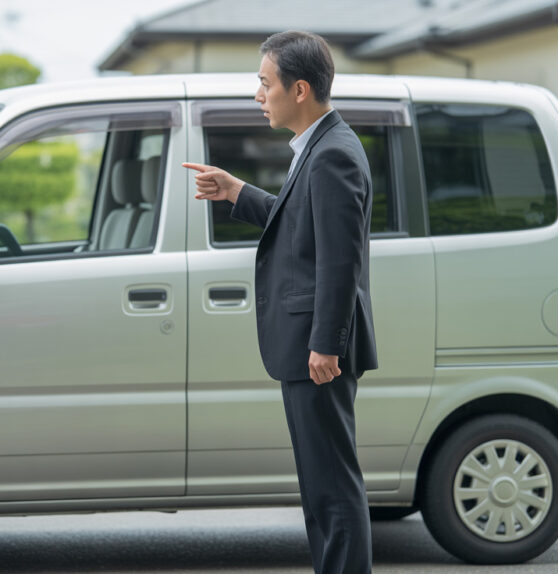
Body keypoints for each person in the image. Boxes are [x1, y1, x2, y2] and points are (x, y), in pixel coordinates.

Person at [184, 30, 378, 574]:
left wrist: (325, 345)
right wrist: (237, 192)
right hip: (308, 346)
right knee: (320, 489)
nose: (257, 94)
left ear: (298, 89)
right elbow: (300, 227)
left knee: (334, 488)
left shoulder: (332, 155)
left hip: (318, 351)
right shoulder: (317, 147)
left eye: (264, 84)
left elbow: (341, 264)